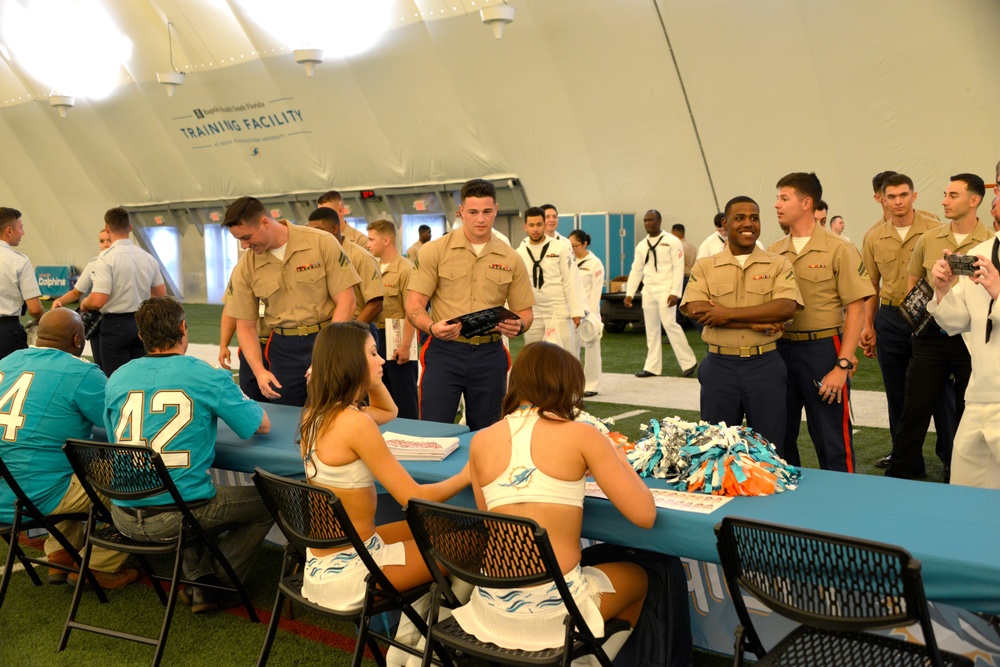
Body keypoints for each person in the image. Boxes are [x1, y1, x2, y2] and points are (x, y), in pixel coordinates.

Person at [458, 341, 655, 654]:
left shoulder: (481, 440)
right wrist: (619, 460)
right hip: (556, 616)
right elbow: (644, 515)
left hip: (490, 609)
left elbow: (493, 518)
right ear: (568, 387)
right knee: (639, 576)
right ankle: (586, 662)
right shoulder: (582, 434)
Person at [297, 322, 469, 653]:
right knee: (472, 543)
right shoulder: (356, 424)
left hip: (322, 566)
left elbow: (389, 411)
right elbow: (415, 499)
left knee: (442, 528)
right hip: (353, 573)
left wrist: (369, 376)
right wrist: (468, 474)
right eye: (373, 354)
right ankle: (419, 648)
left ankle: (412, 640)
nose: (381, 361)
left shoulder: (314, 415)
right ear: (350, 362)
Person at [105, 297, 273, 613]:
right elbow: (259, 425)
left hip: (123, 513)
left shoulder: (118, 378)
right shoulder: (205, 374)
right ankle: (216, 583)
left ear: (141, 337)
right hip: (177, 514)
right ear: (184, 328)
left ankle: (199, 572)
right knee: (267, 502)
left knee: (188, 488)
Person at [0, 309, 139, 589]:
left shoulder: (8, 361)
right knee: (138, 477)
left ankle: (61, 552)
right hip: (39, 496)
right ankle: (95, 564)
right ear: (78, 340)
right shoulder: (81, 372)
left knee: (62, 460)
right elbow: (123, 423)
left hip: (5, 492)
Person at [405, 178, 535, 431]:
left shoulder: (511, 258)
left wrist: (518, 326)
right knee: (434, 431)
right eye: (473, 212)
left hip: (490, 355)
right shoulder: (435, 251)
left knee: (488, 435)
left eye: (487, 212)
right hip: (444, 352)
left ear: (496, 209)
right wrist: (431, 327)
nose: (481, 219)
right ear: (461, 211)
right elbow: (413, 304)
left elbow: (525, 313)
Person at [886, 174, 990, 480]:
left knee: (967, 410)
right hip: (931, 336)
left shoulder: (989, 243)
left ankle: (958, 473)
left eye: (953, 195)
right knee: (915, 408)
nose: (944, 200)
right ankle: (901, 474)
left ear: (974, 201)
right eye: (945, 194)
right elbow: (912, 285)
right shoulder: (929, 239)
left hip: (971, 339)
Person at [768, 173, 874, 473]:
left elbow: (856, 308)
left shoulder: (839, 248)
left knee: (832, 439)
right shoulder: (774, 252)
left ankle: (842, 505)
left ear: (806, 203)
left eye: (783, 198)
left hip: (823, 349)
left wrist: (842, 365)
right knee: (779, 436)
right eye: (777, 198)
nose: (776, 204)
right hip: (780, 350)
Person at [681, 197, 803, 449]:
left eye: (754, 218)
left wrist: (726, 315)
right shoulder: (706, 266)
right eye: (740, 218)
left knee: (769, 446)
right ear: (725, 224)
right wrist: (755, 321)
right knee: (716, 448)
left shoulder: (778, 263)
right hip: (719, 367)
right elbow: (695, 308)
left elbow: (785, 306)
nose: (748, 224)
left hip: (765, 366)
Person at [223, 196, 360, 407]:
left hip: (328, 338)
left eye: (247, 237)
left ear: (265, 222)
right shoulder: (245, 267)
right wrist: (259, 371)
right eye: (239, 240)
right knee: (287, 418)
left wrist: (328, 353)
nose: (244, 245)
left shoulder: (321, 242)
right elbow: (245, 326)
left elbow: (346, 301)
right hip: (284, 350)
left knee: (339, 410)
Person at [860, 173, 953, 470]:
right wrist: (868, 325)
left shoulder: (936, 230)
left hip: (930, 316)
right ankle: (906, 458)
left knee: (939, 389)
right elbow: (870, 286)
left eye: (903, 195)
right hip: (889, 317)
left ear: (913, 196)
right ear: (882, 200)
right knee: (896, 390)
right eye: (892, 197)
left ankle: (951, 457)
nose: (898, 202)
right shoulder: (874, 236)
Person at [925, 186, 1000, 489]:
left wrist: (998, 293)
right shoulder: (979, 254)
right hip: (980, 395)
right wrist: (942, 290)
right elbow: (957, 322)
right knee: (966, 492)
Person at [80, 207, 166, 376]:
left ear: (107, 228)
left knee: (115, 377)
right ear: (130, 228)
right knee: (142, 374)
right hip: (142, 322)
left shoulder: (106, 259)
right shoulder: (147, 257)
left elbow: (98, 300)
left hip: (114, 326)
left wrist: (84, 303)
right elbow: (160, 294)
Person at [624, 209, 698, 378]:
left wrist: (675, 293)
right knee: (651, 330)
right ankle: (652, 367)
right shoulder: (642, 245)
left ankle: (688, 362)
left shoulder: (672, 241)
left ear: (659, 221)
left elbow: (679, 267)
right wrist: (630, 293)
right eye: (645, 221)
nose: (647, 223)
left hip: (666, 289)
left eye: (650, 220)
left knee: (670, 324)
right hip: (648, 290)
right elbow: (636, 269)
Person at [366, 219, 419, 419]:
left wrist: (405, 345)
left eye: (372, 239)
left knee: (403, 396)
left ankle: (411, 439)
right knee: (378, 394)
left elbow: (412, 311)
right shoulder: (371, 266)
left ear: (386, 240)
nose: (368, 244)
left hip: (397, 335)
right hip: (374, 335)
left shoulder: (406, 269)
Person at [516, 206, 585, 356]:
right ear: (525, 227)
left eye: (539, 225)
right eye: (532, 225)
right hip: (533, 311)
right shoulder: (519, 251)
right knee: (535, 355)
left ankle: (569, 380)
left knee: (564, 356)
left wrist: (576, 310)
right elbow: (517, 285)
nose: (535, 229)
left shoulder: (560, 247)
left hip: (558, 309)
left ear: (545, 225)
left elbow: (571, 279)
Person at [307, 206, 385, 334]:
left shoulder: (360, 257)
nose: (314, 236)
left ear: (335, 229)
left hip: (356, 329)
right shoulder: (315, 258)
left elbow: (376, 303)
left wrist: (350, 332)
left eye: (319, 231)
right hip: (326, 329)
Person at [53, 227, 113, 368]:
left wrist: (86, 303)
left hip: (121, 319)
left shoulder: (124, 262)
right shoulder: (93, 264)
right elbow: (77, 292)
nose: (105, 244)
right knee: (101, 362)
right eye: (102, 241)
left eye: (109, 240)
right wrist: (60, 300)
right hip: (98, 322)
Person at [0, 207, 43, 360]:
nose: (23, 232)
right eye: (21, 227)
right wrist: (43, 320)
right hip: (6, 333)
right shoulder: (19, 261)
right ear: (9, 231)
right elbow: (35, 309)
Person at [569, 229, 605, 397]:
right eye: (570, 245)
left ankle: (592, 384)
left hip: (589, 313)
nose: (572, 248)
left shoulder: (595, 263)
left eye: (575, 245)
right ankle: (574, 383)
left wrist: (589, 315)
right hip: (572, 312)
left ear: (584, 244)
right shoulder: (569, 260)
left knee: (591, 350)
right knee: (571, 349)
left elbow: (595, 292)